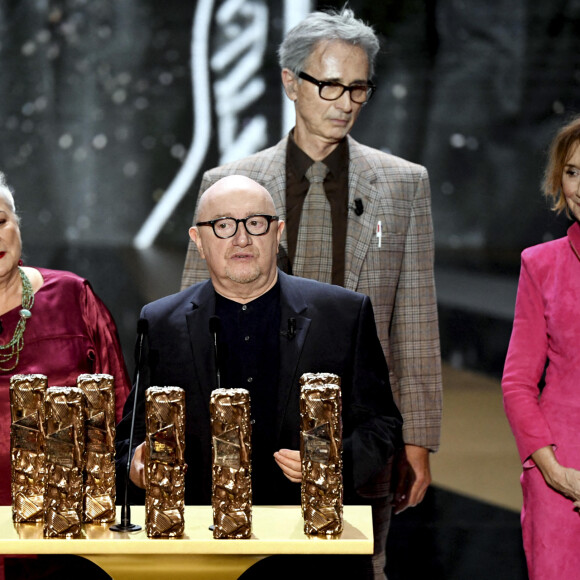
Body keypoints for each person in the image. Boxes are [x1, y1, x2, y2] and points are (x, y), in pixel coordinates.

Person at [180, 7, 442, 577]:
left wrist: (417, 438)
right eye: (329, 85)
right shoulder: (229, 185)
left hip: (360, 431)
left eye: (358, 88)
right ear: (290, 82)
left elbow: (415, 317)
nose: (344, 102)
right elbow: (191, 316)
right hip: (249, 420)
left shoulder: (403, 184)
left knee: (359, 565)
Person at [116, 175, 403, 577]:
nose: (241, 238)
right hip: (198, 547)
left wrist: (333, 463)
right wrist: (136, 464)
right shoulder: (161, 321)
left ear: (277, 231)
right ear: (197, 240)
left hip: (310, 547)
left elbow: (382, 423)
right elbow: (133, 432)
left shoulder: (343, 314)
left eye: (255, 223)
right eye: (223, 225)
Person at [0, 171, 131, 579]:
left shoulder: (73, 297)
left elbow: (121, 411)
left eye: (0, 221)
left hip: (68, 536)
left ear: (17, 224)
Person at [502, 115, 580, 579]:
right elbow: (517, 383)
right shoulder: (541, 265)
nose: (579, 186)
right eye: (572, 172)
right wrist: (551, 470)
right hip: (559, 473)